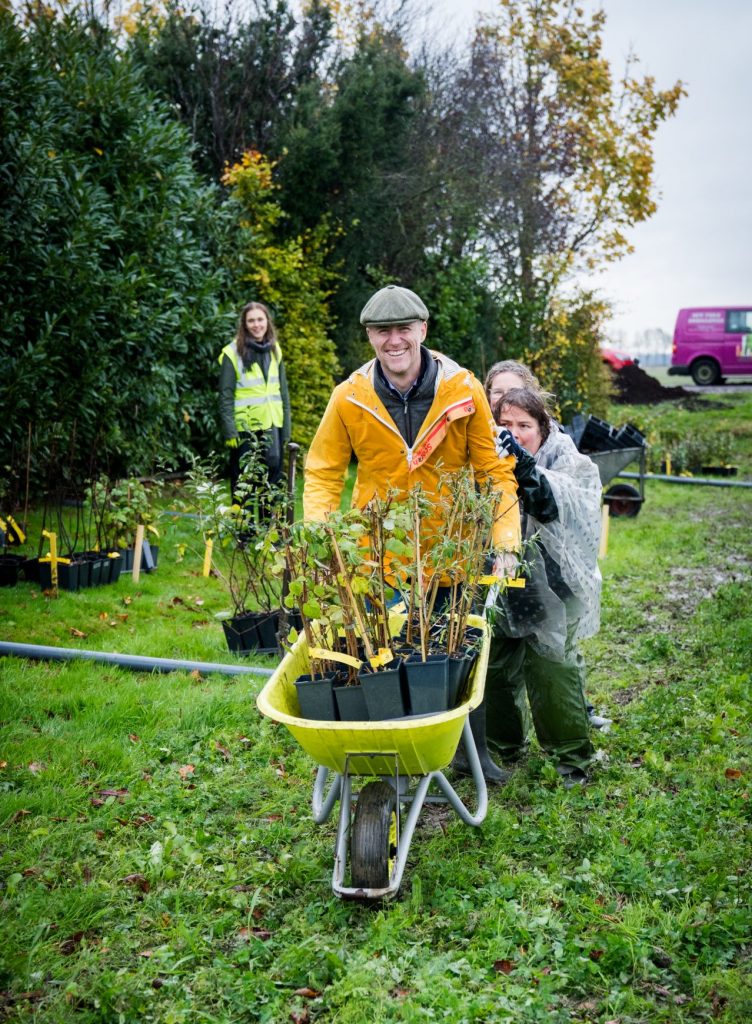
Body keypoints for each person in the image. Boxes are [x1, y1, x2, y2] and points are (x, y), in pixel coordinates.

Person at [303, 284, 521, 782]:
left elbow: (494, 471)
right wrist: (319, 538)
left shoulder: (462, 391)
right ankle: (390, 755)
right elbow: (323, 471)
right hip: (378, 553)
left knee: (461, 652)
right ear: (370, 337)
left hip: (450, 550)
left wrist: (506, 543)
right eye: (383, 331)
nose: (394, 340)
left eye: (404, 329)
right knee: (380, 654)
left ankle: (472, 754)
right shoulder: (350, 398)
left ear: (423, 330)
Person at [485, 361, 612, 731]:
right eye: (497, 394)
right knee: (496, 659)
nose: (506, 401)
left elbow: (567, 498)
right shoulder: (480, 446)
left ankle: (572, 726)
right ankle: (503, 742)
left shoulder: (559, 449)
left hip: (552, 574)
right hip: (499, 571)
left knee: (552, 657)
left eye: (515, 393)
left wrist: (526, 470)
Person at [218, 302, 291, 525]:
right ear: (244, 324)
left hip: (272, 425)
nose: (256, 324)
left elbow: (284, 393)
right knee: (245, 482)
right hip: (245, 429)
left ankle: (270, 529)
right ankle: (244, 533)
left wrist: (286, 430)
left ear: (267, 321)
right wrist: (230, 430)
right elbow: (225, 395)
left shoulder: (274, 350)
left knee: (273, 481)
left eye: (260, 319)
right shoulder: (232, 353)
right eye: (251, 320)